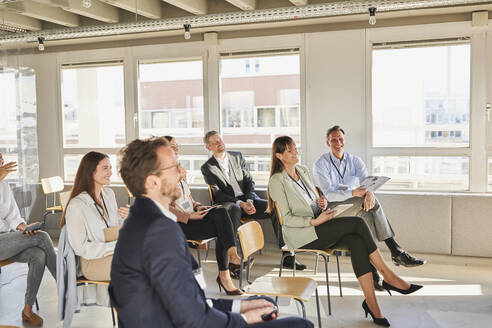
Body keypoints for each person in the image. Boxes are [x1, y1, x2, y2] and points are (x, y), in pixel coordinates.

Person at [110, 136, 313, 328]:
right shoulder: (159, 232)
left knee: (265, 303)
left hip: (186, 317)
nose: (181, 172)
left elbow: (189, 301)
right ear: (153, 182)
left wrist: (240, 306)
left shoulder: (145, 221)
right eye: (174, 167)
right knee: (301, 325)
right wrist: (242, 319)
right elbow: (193, 320)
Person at [267, 136, 423, 327]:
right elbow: (287, 218)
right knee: (357, 224)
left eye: (294, 147)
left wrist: (321, 203)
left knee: (356, 241)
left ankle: (372, 304)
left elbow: (313, 201)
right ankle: (387, 274)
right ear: (279, 155)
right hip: (302, 235)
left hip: (319, 224)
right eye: (290, 150)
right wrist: (314, 220)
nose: (295, 151)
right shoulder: (277, 181)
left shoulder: (302, 170)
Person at [313, 125, 426, 271]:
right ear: (328, 143)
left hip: (351, 206)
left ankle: (373, 271)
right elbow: (328, 194)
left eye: (340, 139)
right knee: (369, 206)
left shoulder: (355, 161)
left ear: (345, 140)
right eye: (333, 140)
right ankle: (395, 250)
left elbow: (366, 183)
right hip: (330, 209)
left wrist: (370, 192)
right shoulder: (321, 164)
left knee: (366, 212)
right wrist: (354, 193)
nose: (338, 143)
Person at [201, 131, 305, 271]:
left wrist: (249, 200)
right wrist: (241, 204)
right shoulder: (207, 167)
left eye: (220, 140)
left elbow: (249, 181)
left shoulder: (237, 156)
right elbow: (218, 194)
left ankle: (288, 256)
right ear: (208, 147)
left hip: (248, 200)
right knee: (235, 209)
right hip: (229, 205)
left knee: (276, 208)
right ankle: (234, 261)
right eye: (215, 142)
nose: (219, 143)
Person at [164, 135, 244, 295]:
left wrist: (198, 206)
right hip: (179, 224)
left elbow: (188, 197)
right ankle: (227, 272)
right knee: (222, 227)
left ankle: (230, 261)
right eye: (172, 146)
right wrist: (190, 217)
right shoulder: (159, 174)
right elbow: (164, 207)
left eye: (177, 145)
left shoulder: (179, 169)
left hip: (192, 215)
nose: (177, 149)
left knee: (221, 211)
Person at [0, 152, 56, 326]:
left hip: (6, 239)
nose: (1, 162)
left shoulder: (4, 185)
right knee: (43, 237)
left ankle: (27, 310)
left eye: (0, 158)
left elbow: (12, 216)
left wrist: (26, 228)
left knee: (38, 254)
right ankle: (65, 282)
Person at [61, 151, 129, 281]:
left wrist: (129, 218)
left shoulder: (109, 194)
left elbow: (113, 225)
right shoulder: (76, 206)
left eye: (110, 168)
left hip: (112, 254)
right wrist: (114, 246)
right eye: (105, 168)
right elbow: (80, 247)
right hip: (92, 262)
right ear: (91, 171)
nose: (110, 172)